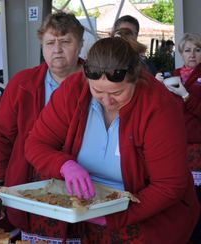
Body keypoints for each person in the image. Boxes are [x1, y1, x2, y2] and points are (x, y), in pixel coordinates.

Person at [25, 37, 200, 243]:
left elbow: (169, 185)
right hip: (83, 209)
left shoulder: (159, 106)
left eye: (117, 92)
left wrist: (114, 216)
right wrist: (64, 164)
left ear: (135, 78)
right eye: (97, 91)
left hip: (145, 214)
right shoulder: (73, 89)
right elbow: (36, 144)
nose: (107, 101)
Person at [0, 11, 85, 242]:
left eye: (65, 42)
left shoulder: (97, 81)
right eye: (50, 43)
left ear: (80, 45)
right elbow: (1, 135)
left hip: (82, 182)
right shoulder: (22, 83)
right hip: (29, 183)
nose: (57, 49)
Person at [160, 33, 201, 242]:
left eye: (197, 49)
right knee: (178, 196)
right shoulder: (172, 74)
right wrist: (158, 87)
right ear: (181, 53)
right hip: (176, 146)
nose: (192, 54)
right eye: (188, 50)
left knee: (198, 197)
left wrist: (186, 96)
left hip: (198, 148)